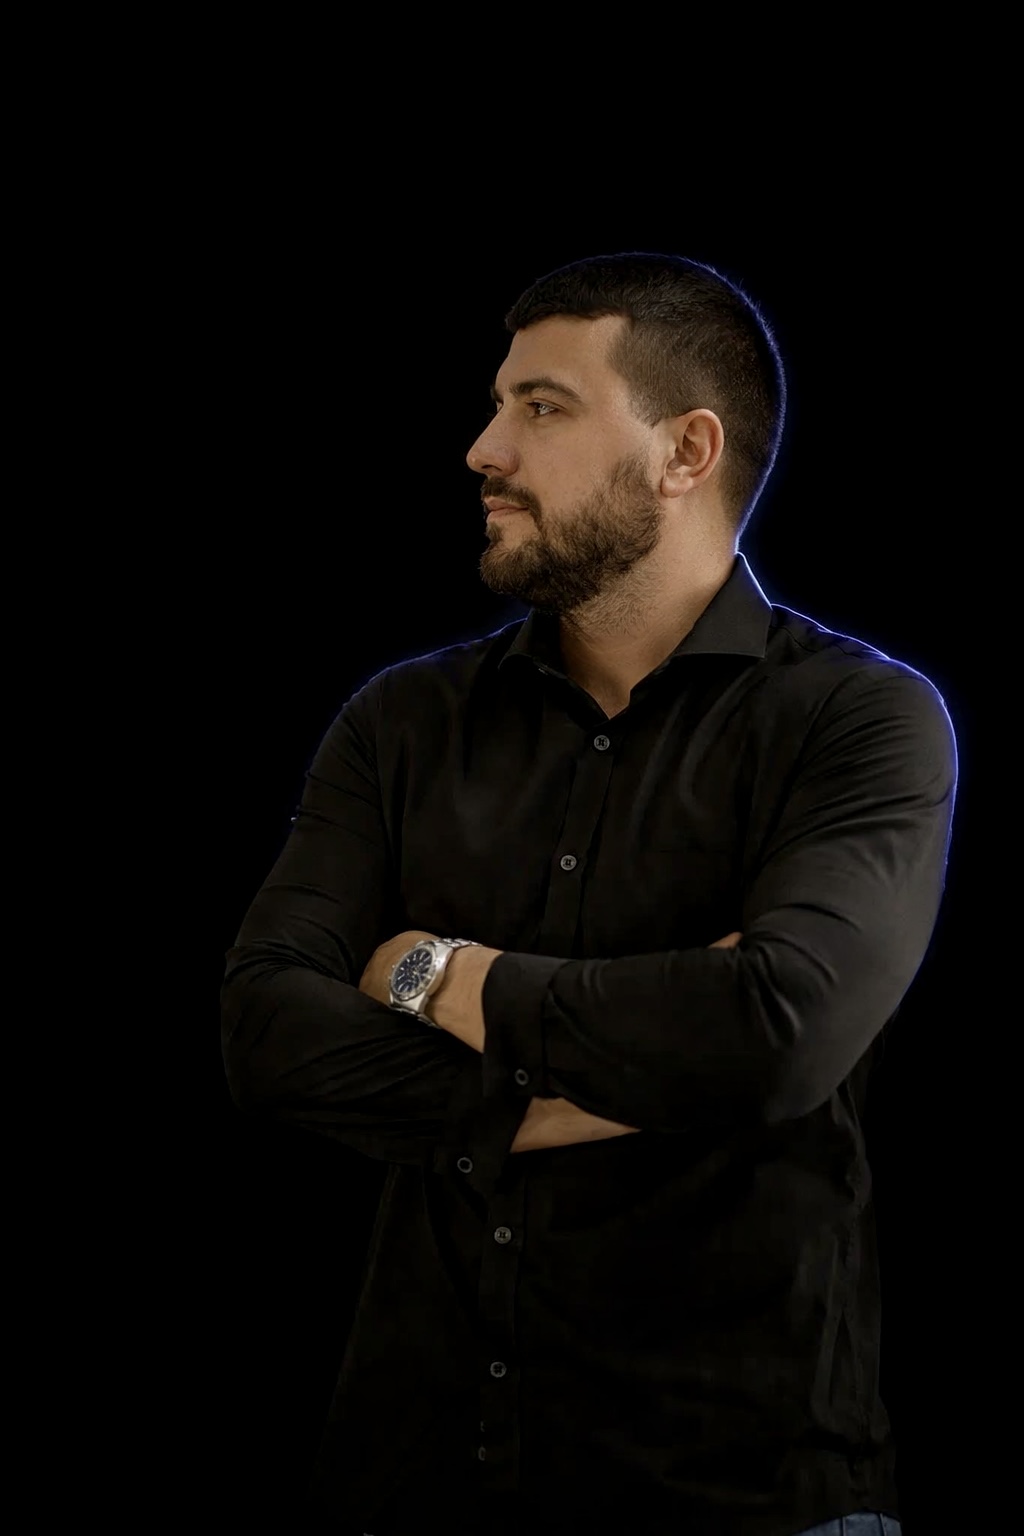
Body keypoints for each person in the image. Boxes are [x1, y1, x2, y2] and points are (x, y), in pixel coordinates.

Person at [221, 252, 955, 1536]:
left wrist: (432, 975)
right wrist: (616, 1080)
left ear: (686, 450)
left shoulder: (858, 721)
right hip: (411, 1484)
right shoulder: (402, 723)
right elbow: (264, 1032)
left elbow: (774, 1030)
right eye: (499, 403)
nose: (482, 448)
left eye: (541, 407)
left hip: (743, 1499)